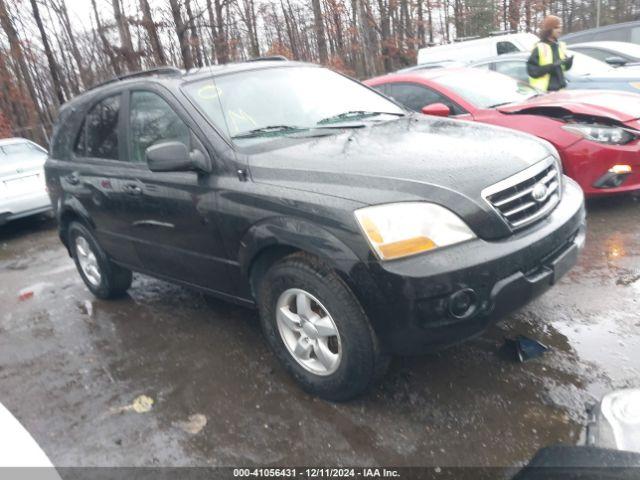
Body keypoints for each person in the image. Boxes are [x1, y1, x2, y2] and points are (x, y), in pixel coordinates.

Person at [527, 15, 573, 92]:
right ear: (549, 29)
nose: (559, 30)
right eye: (556, 28)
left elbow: (562, 68)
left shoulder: (560, 46)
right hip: (543, 93)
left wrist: (568, 63)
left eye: (560, 27)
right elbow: (532, 72)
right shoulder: (539, 48)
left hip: (560, 91)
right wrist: (551, 66)